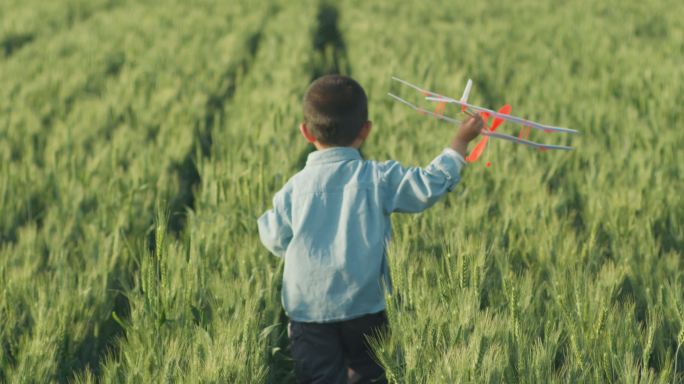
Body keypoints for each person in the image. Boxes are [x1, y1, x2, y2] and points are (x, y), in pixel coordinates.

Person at [257, 74, 483, 383]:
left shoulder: (293, 190)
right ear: (366, 130)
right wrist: (459, 142)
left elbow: (272, 235)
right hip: (366, 308)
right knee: (366, 376)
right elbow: (426, 185)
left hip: (309, 312)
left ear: (305, 131)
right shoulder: (378, 178)